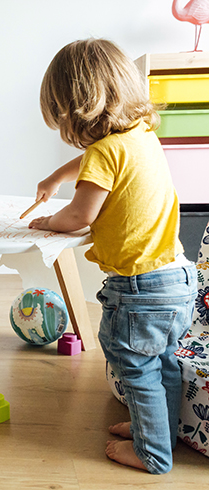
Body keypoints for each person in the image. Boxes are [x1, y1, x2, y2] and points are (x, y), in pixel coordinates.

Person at [28, 38, 196, 474]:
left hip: (139, 290)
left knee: (135, 368)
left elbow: (79, 215)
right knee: (163, 363)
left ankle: (152, 453)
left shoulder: (104, 151)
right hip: (175, 278)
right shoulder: (140, 136)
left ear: (75, 109)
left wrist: (48, 220)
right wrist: (57, 176)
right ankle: (161, 431)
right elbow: (95, 161)